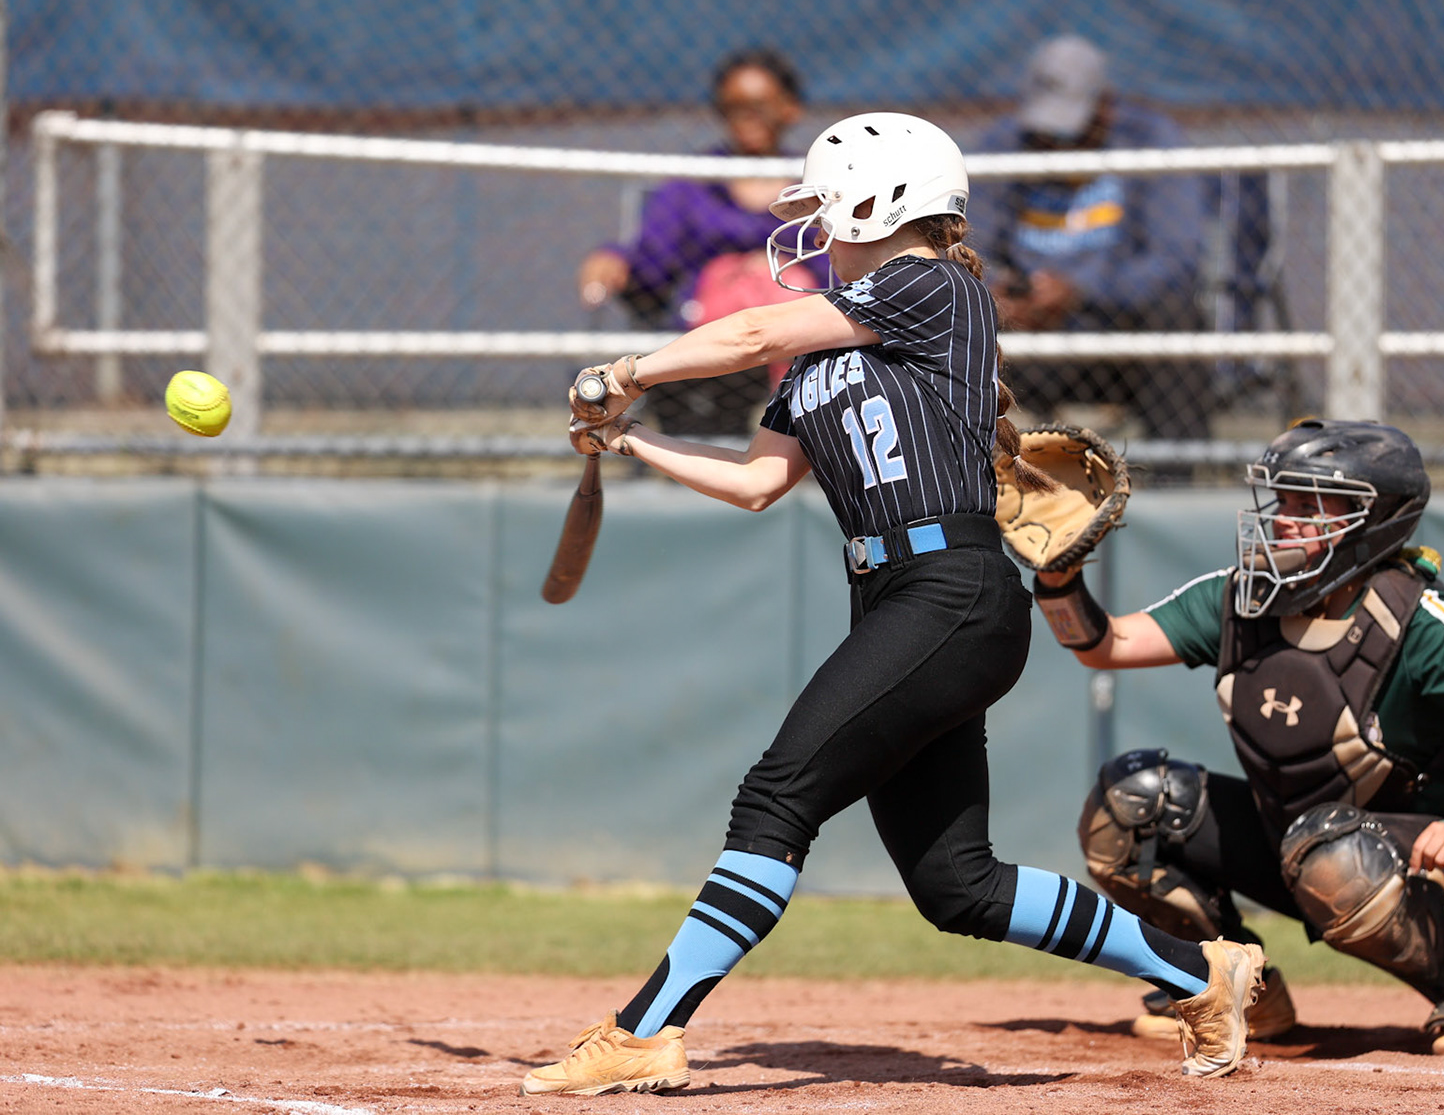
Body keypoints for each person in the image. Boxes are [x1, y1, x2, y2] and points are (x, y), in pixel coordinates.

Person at [521, 113, 1264, 1097]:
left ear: (881, 200)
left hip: (951, 590)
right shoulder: (821, 353)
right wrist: (625, 442)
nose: (816, 225)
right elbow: (755, 484)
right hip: (896, 602)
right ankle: (1195, 969)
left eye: (829, 204)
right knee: (958, 885)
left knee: (777, 794)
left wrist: (626, 370)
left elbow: (747, 331)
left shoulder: (935, 284)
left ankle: (645, 1026)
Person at [1030, 419, 1444, 1056]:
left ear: (1373, 521)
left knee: (1332, 849)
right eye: (1282, 501)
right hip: (1295, 843)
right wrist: (1059, 582)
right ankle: (1226, 988)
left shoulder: (1415, 620)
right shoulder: (1240, 598)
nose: (1283, 519)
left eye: (1311, 506)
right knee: (1130, 805)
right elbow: (1106, 646)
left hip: (1429, 866)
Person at [970, 35, 1214, 445]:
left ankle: (1181, 474)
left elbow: (1177, 261)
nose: (1054, 143)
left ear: (1104, 106)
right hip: (1023, 336)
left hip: (1114, 334)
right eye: (1045, 132)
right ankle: (962, 480)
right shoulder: (1003, 144)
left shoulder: (1151, 138)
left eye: (1068, 130)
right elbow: (970, 244)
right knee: (955, 314)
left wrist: (1081, 293)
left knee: (1177, 316)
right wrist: (998, 297)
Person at [576, 48, 827, 435]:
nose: (746, 115)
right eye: (733, 105)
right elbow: (651, 262)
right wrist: (613, 260)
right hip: (708, 336)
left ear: (790, 109)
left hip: (796, 339)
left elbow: (839, 271)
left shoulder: (816, 187)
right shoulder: (691, 185)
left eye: (759, 105)